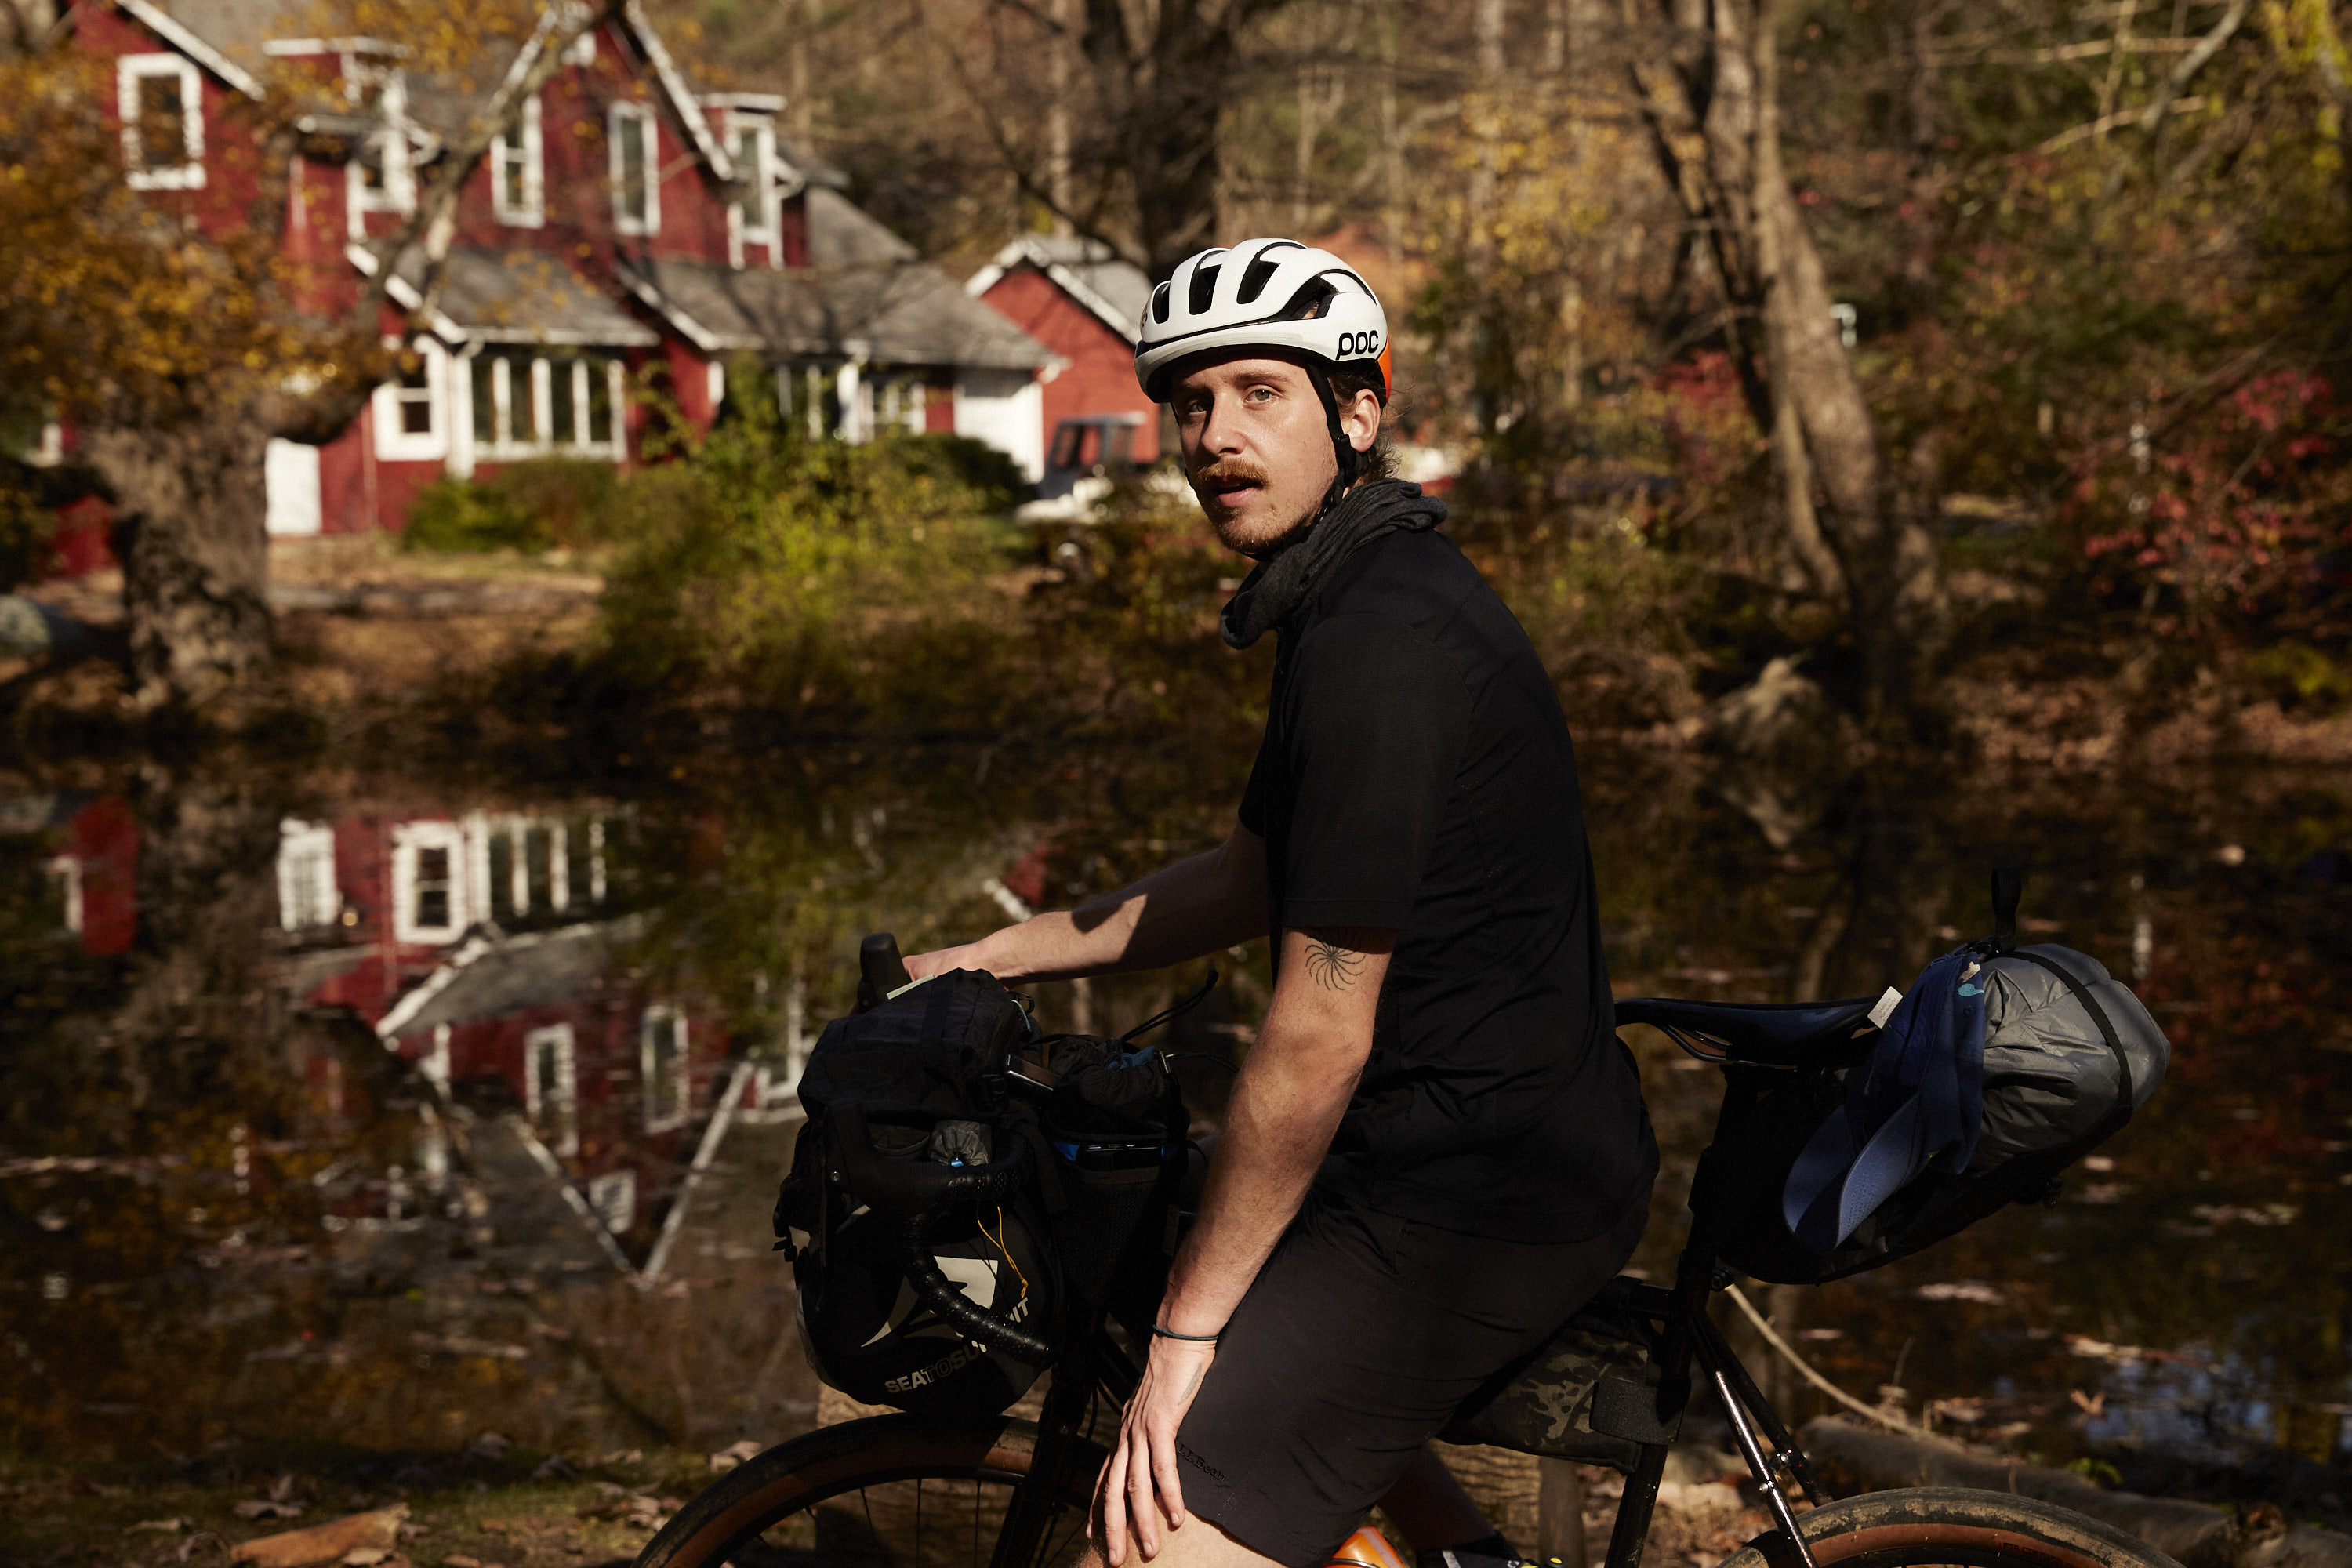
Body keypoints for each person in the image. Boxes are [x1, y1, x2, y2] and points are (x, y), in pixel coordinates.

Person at [905, 238, 1657, 1568]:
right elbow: (1249, 879)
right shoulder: (1354, 592)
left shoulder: (1383, 647)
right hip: (1440, 1146)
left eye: (1260, 393)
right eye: (1190, 404)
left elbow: (1318, 1033)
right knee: (1128, 1217)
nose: (1214, 436)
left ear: (1355, 413)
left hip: (1477, 1192)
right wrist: (988, 957)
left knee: (1140, 1544)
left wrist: (1191, 1344)